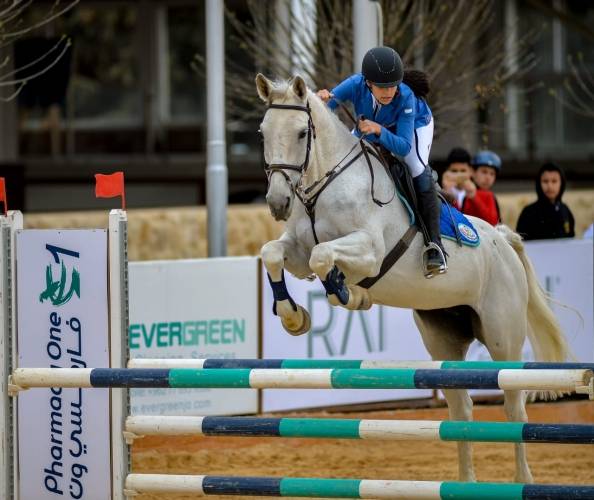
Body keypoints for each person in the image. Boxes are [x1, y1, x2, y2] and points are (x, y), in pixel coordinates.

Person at [316, 46, 446, 278]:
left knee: (416, 167)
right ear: (368, 83)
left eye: (392, 86)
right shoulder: (354, 84)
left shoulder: (405, 97)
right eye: (382, 87)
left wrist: (378, 130)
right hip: (373, 126)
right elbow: (327, 109)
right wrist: (321, 100)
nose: (388, 92)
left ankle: (434, 246)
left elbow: (403, 147)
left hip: (414, 126)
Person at [441, 147, 500, 226]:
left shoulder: (483, 194)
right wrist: (446, 193)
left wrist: (474, 197)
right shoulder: (440, 192)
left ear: (471, 171)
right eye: (454, 171)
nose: (459, 175)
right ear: (447, 171)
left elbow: (493, 222)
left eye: (463, 171)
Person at [516, 162, 575, 240]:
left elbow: (571, 239)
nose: (550, 186)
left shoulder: (565, 211)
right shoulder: (528, 213)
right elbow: (520, 243)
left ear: (562, 184)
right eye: (545, 181)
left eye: (554, 181)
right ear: (539, 184)